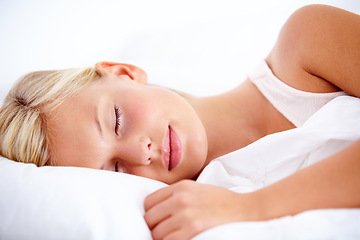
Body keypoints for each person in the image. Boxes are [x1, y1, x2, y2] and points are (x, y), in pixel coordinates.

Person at [0, 4, 359, 240]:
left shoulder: (306, 42)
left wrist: (253, 207)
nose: (141, 153)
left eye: (116, 120)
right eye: (117, 170)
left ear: (124, 72)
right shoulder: (192, 214)